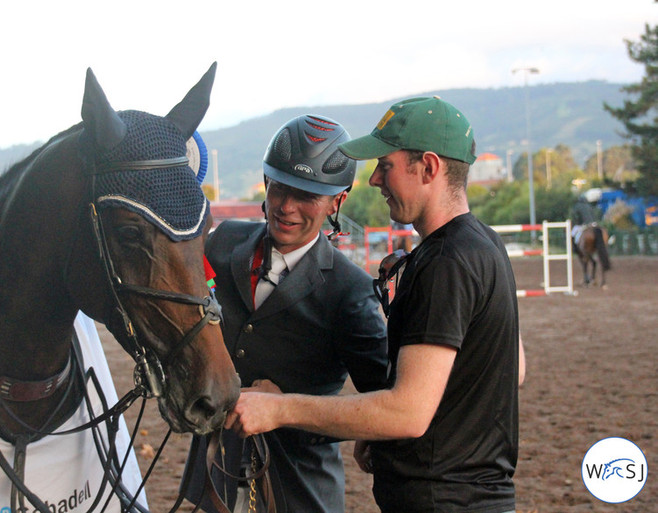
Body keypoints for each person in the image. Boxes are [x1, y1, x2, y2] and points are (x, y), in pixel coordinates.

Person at [226, 97, 522, 513]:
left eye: (385, 166)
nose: (374, 180)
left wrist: (279, 408)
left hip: (443, 500)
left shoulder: (444, 264)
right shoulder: (485, 243)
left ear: (430, 167)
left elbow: (407, 414)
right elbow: (514, 366)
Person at [182, 114, 388, 513]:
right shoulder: (223, 243)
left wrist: (289, 408)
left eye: (308, 196)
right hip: (212, 481)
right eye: (280, 189)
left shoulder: (350, 291)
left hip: (298, 491)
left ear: (337, 201)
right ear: (266, 183)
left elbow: (379, 407)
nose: (287, 207)